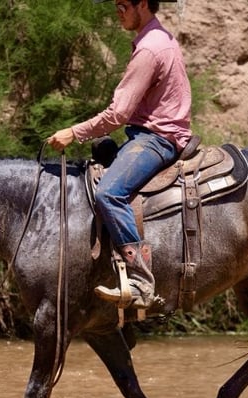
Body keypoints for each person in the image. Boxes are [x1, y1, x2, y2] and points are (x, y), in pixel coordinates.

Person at [47, 0, 192, 310]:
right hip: (150, 133)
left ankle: (141, 280)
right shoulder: (157, 38)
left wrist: (73, 132)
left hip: (158, 138)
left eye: (123, 5)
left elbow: (118, 114)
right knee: (102, 153)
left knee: (109, 193)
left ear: (143, 4)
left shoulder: (150, 49)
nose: (118, 11)